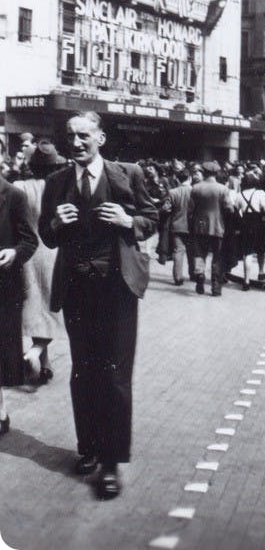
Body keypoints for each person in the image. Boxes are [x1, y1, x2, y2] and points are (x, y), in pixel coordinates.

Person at [38, 111, 158, 500]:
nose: (76, 143)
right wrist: (55, 224)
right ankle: (87, 447)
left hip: (117, 289)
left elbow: (152, 216)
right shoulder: (56, 182)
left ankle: (110, 464)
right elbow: (45, 234)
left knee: (116, 376)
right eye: (70, 136)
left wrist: (128, 221)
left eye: (84, 136)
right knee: (83, 372)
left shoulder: (128, 174)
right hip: (77, 290)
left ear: (100, 138)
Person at [14, 140, 67, 383]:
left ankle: (43, 366)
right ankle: (35, 353)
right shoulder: (59, 188)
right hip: (53, 254)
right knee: (50, 311)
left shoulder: (19, 187)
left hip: (25, 254)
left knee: (34, 308)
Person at [0, 167, 38, 436]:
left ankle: (0, 411)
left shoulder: (13, 195)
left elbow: (29, 240)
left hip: (4, 286)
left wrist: (14, 253)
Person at [189, 161, 234, 296]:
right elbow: (229, 209)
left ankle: (200, 277)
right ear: (216, 173)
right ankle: (215, 285)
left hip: (200, 227)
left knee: (200, 254)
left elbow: (190, 210)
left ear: (204, 172)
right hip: (217, 227)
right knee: (217, 257)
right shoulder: (222, 189)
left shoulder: (196, 188)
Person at [237, 171, 265, 290]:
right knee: (261, 249)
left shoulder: (240, 194)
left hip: (245, 223)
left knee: (248, 252)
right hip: (259, 222)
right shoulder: (260, 193)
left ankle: (246, 280)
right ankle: (261, 271)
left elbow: (237, 210)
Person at [168, 167, 195, 285]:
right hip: (192, 226)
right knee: (192, 252)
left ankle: (178, 277)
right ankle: (193, 273)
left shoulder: (173, 192)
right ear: (190, 178)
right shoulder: (195, 191)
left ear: (178, 179)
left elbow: (167, 208)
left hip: (177, 225)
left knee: (178, 252)